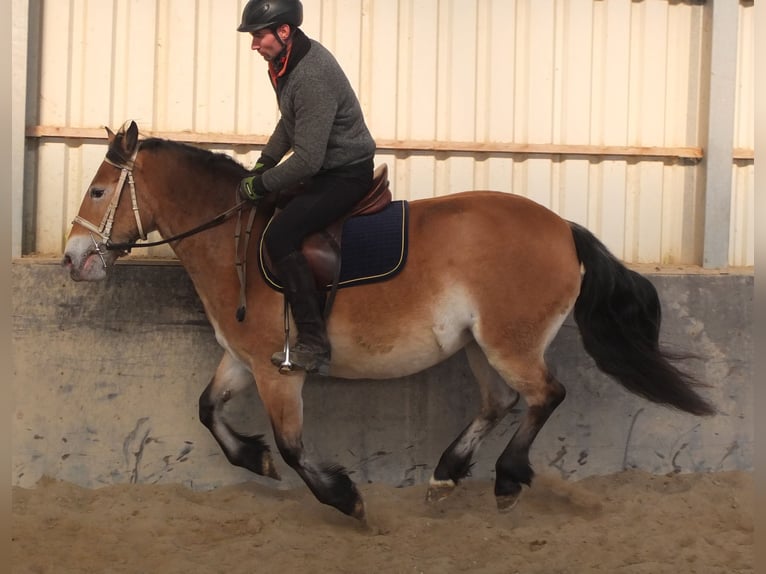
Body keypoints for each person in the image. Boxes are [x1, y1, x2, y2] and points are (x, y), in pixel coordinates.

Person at [237, 0, 376, 375]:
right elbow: (289, 120)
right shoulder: (284, 63)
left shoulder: (310, 74)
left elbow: (307, 161)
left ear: (284, 31)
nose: (254, 45)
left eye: (258, 36)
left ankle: (313, 341)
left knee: (280, 236)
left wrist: (261, 184)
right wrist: (265, 162)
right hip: (326, 168)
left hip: (345, 173)